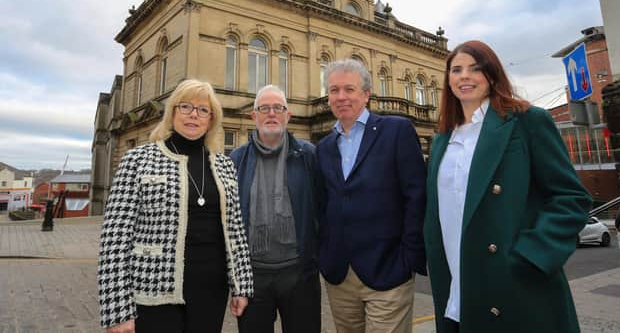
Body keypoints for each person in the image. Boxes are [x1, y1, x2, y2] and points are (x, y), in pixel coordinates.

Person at [424, 40, 592, 333]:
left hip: (515, 283)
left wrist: (531, 255)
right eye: (456, 70)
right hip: (457, 283)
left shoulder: (527, 121)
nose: (464, 76)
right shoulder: (442, 140)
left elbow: (571, 197)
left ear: (491, 74)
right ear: (448, 79)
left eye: (475, 69)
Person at [98, 79, 253, 333]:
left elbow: (235, 230)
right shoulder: (137, 159)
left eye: (203, 110)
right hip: (153, 289)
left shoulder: (225, 165)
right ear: (172, 112)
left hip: (211, 289)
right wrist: (117, 309)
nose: (194, 114)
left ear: (211, 119)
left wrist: (242, 286)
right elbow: (114, 238)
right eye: (186, 106)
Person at [315, 59, 427, 332]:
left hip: (389, 269)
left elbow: (416, 197)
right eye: (334, 90)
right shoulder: (324, 147)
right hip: (340, 275)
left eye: (349, 89)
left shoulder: (396, 131)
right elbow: (322, 206)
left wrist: (408, 258)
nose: (341, 97)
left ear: (366, 94)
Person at [230, 85, 321, 333]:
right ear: (254, 116)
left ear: (287, 116)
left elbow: (322, 208)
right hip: (252, 277)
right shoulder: (236, 160)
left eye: (278, 108)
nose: (271, 113)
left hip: (299, 274)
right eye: (264, 108)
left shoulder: (308, 155)